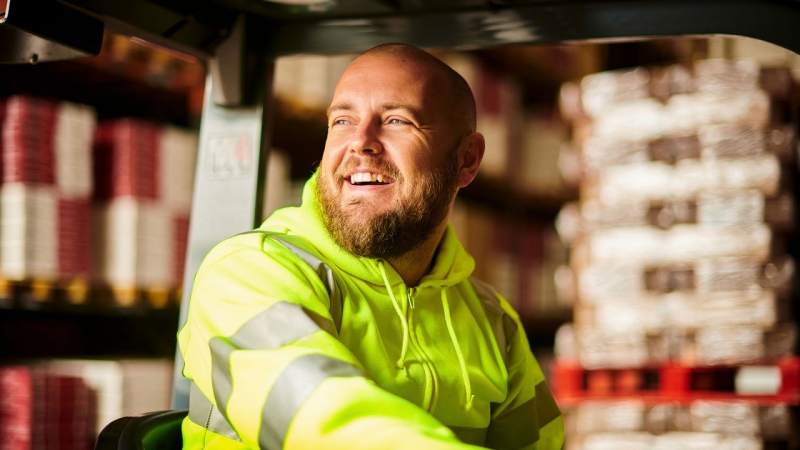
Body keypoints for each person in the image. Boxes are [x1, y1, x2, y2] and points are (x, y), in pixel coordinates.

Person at [178, 43, 564, 450]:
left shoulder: (493, 322)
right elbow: (324, 422)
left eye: (398, 120)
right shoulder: (247, 273)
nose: (361, 142)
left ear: (467, 160)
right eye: (342, 120)